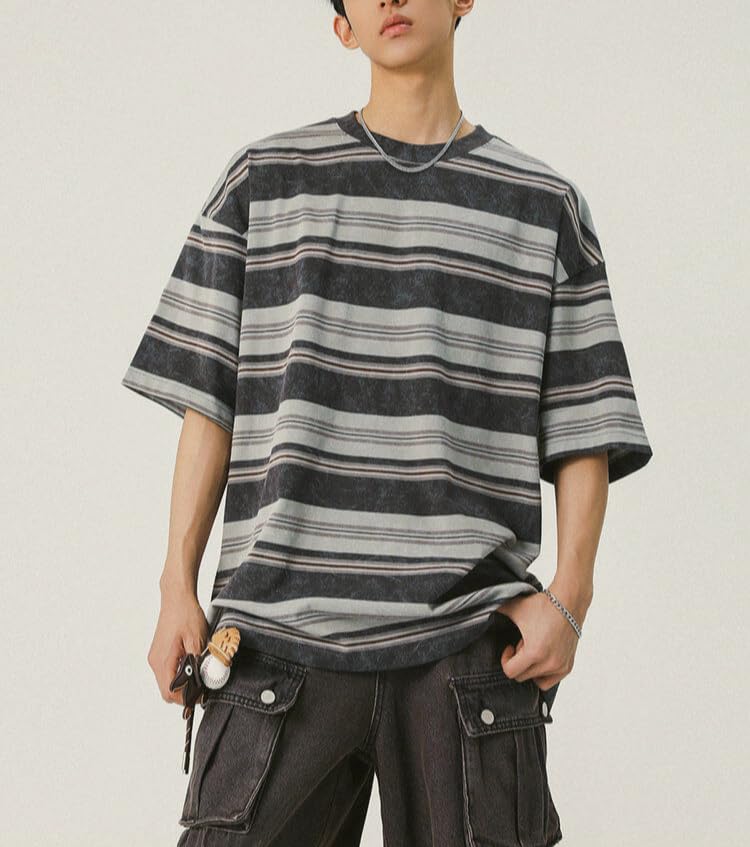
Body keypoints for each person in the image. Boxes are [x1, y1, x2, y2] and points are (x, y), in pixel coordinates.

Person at [121, 1, 653, 844]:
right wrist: (174, 586)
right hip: (276, 636)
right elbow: (206, 396)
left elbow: (584, 419)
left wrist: (572, 596)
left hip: (468, 647)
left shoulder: (542, 204)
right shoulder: (265, 180)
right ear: (343, 29)